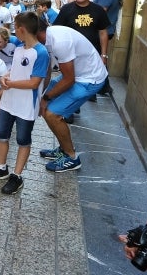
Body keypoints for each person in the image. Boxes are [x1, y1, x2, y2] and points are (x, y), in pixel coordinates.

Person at [0, 12, 49, 195]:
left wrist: (10, 84)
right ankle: (1, 167)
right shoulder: (19, 48)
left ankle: (17, 176)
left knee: (23, 139)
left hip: (26, 104)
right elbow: (15, 71)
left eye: (15, 28)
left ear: (21, 29)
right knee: (1, 133)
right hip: (9, 100)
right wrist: (5, 77)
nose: (13, 32)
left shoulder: (41, 52)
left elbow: (34, 82)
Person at [36, 23, 108, 172]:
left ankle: (72, 157)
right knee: (46, 110)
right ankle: (64, 148)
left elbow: (69, 80)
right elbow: (48, 71)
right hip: (79, 75)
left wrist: (46, 98)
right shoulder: (47, 38)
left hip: (89, 80)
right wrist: (42, 96)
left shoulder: (59, 42)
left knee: (52, 114)